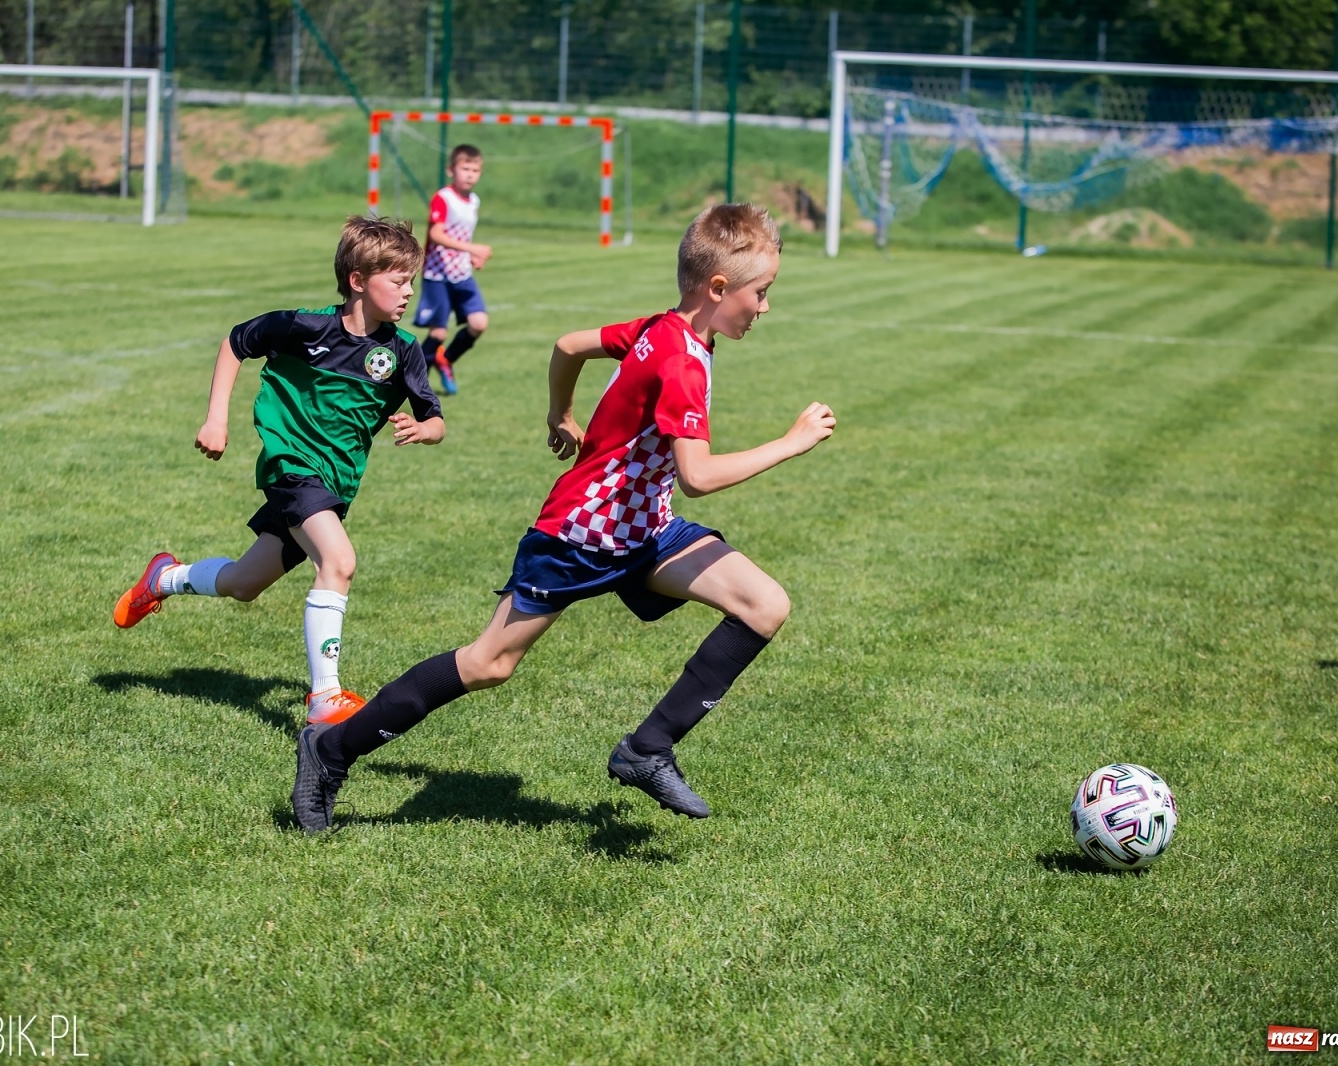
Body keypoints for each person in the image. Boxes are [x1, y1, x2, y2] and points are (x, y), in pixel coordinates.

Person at [291, 203, 837, 833]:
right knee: (488, 664)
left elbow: (568, 346)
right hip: (580, 534)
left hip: (645, 531)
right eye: (760, 293)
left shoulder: (666, 328)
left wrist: (560, 412)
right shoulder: (681, 361)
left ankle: (647, 748)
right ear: (717, 288)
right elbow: (699, 475)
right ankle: (331, 750)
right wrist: (791, 442)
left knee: (764, 604)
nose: (765, 306)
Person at [112, 216, 445, 728]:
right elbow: (236, 342)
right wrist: (216, 419)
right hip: (293, 468)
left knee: (244, 583)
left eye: (411, 282)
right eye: (398, 281)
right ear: (358, 280)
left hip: (335, 484)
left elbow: (435, 419)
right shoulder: (305, 328)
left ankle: (165, 577)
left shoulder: (402, 351)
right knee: (339, 561)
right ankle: (325, 696)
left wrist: (425, 429)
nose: (409, 292)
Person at [413, 144, 492, 395]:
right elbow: (436, 235)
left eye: (475, 170)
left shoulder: (474, 201)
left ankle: (445, 359)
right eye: (465, 168)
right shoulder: (443, 198)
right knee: (438, 332)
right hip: (437, 274)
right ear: (451, 170)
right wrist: (471, 248)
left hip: (461, 274)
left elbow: (462, 235)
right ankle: (413, 381)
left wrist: (472, 257)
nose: (470, 174)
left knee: (479, 323)